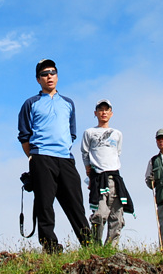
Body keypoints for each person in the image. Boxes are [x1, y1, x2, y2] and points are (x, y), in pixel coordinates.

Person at [18, 59, 92, 254]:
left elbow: (72, 133)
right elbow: (24, 134)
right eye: (44, 74)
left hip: (65, 158)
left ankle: (88, 244)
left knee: (75, 202)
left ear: (57, 76)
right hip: (41, 156)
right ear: (38, 79)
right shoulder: (30, 103)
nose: (49, 76)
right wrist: (32, 157)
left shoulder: (68, 103)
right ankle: (50, 247)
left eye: (52, 72)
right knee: (44, 203)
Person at [81, 99, 133, 246]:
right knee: (99, 214)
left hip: (115, 177)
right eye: (101, 110)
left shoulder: (117, 134)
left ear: (111, 113)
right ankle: (96, 245)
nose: (103, 112)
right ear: (96, 113)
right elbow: (85, 153)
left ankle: (111, 247)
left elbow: (118, 152)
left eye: (106, 110)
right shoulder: (89, 132)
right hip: (98, 177)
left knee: (117, 215)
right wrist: (88, 170)